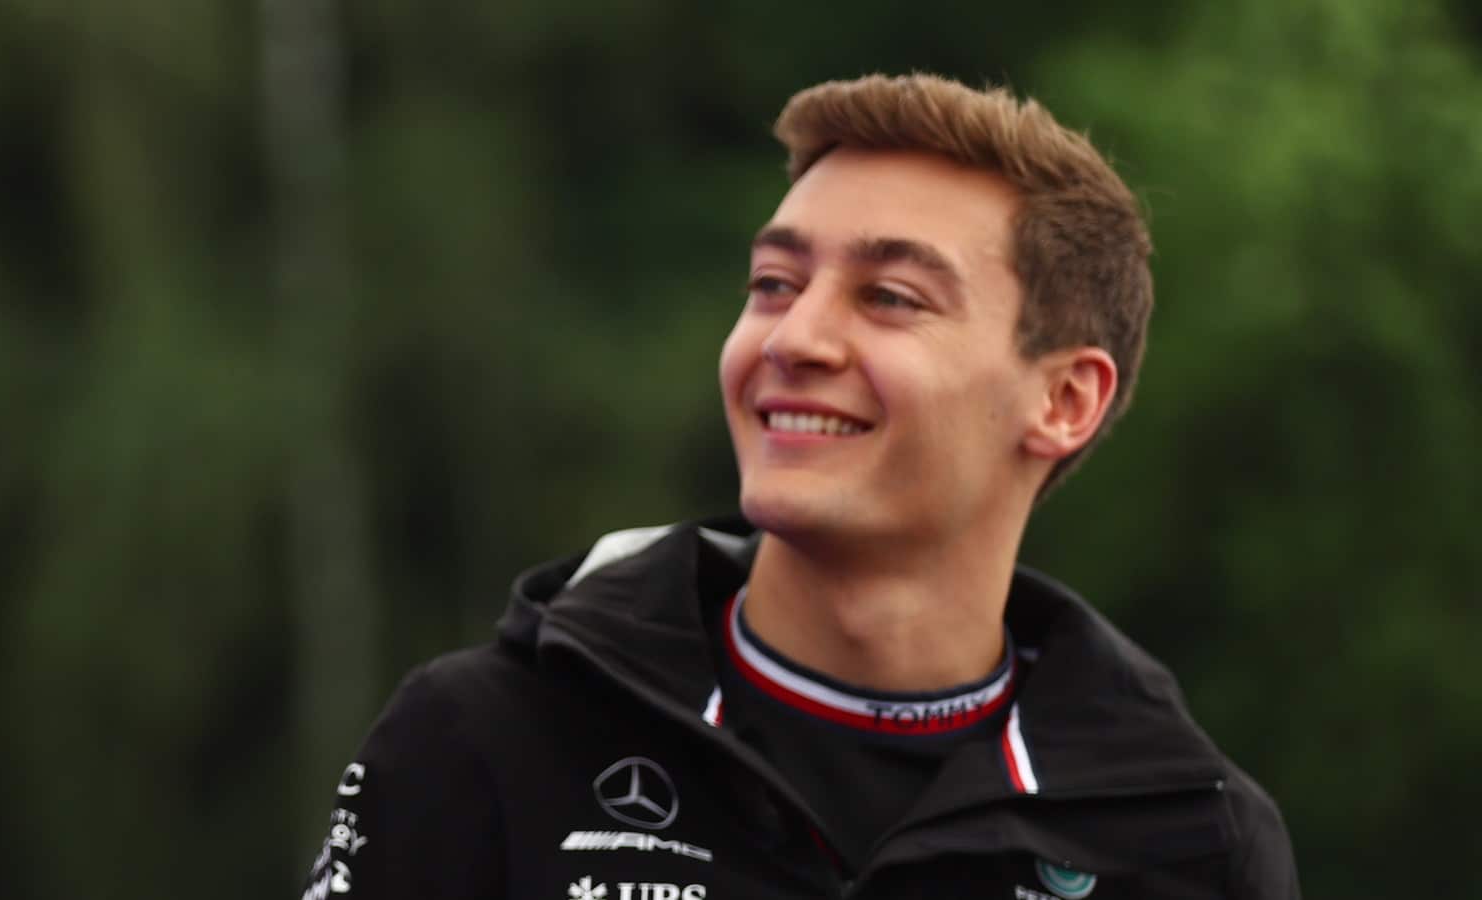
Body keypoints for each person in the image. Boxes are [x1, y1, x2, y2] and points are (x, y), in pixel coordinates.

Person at [299, 73, 1300, 900]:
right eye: (774, 284)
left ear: (1065, 400)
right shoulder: (483, 741)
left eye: (890, 298)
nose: (793, 338)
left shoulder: (1192, 840)